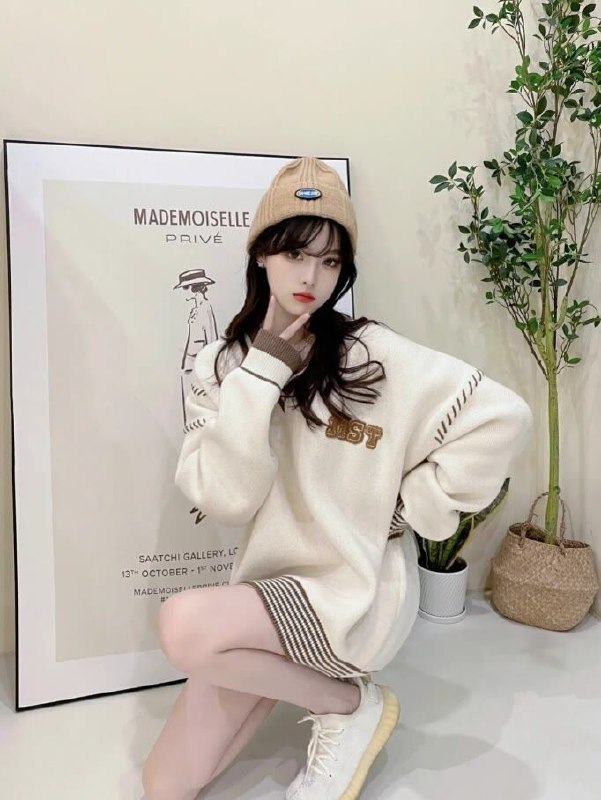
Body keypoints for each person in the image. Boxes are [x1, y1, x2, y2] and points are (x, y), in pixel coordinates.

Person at [142, 157, 533, 800]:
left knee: (184, 626)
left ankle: (346, 704)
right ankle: (332, 696)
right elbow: (228, 500)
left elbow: (501, 416)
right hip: (264, 602)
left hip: (351, 593)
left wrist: (407, 509)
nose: (310, 277)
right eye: (295, 253)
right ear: (261, 254)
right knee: (164, 786)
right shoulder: (220, 367)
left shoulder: (370, 354)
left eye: (329, 261)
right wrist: (264, 371)